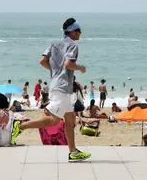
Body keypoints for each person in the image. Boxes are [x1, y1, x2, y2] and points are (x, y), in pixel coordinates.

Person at [11, 18, 91, 161]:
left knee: (70, 119)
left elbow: (42, 61)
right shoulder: (72, 45)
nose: (81, 33)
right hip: (63, 87)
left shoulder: (54, 43)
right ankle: (20, 126)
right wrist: (80, 68)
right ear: (72, 31)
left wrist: (55, 73)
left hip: (56, 84)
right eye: (79, 30)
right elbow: (68, 64)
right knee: (54, 120)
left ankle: (73, 152)